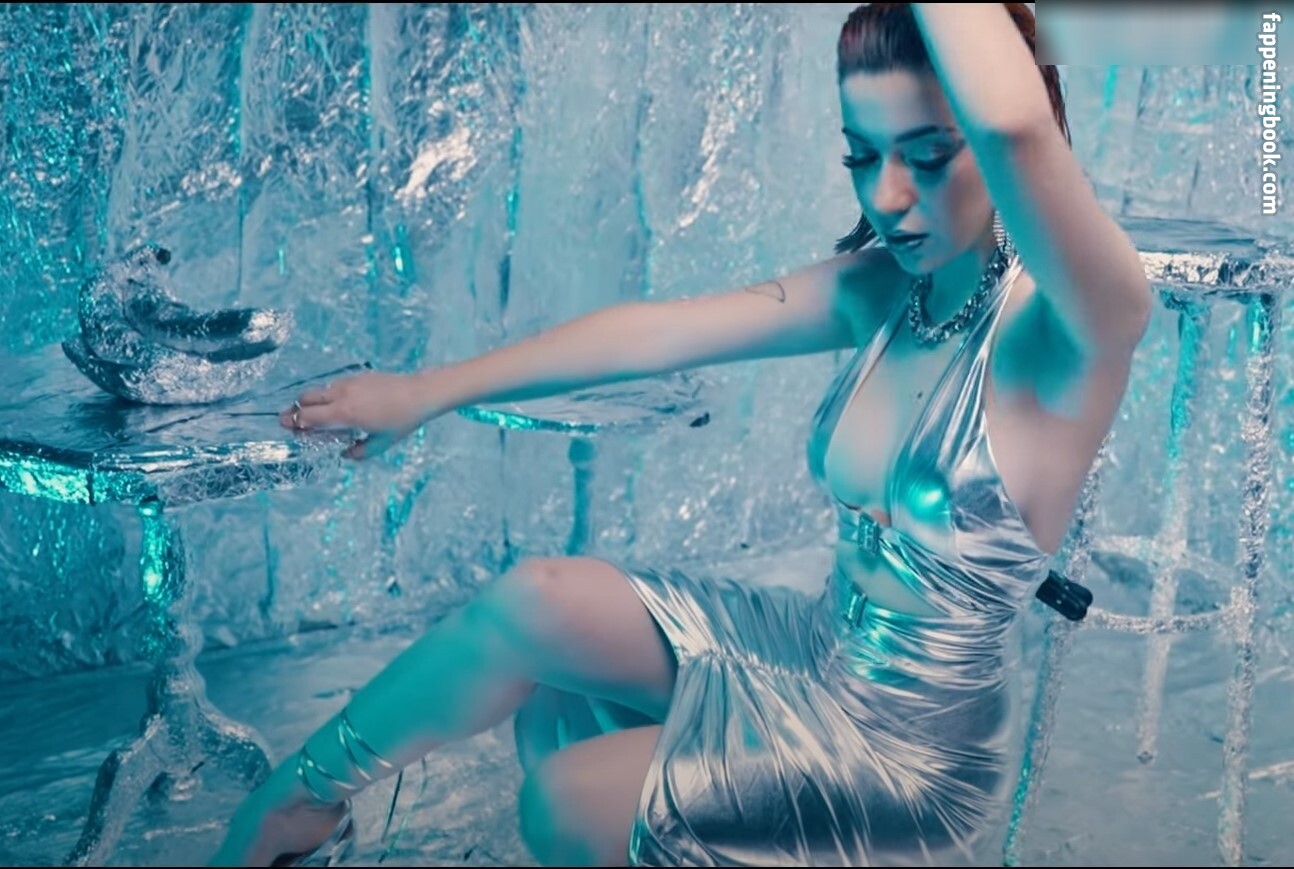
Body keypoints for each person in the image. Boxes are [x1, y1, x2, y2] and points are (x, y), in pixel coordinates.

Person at [209, 4, 1151, 867]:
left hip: (908, 761)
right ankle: (295, 807)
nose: (889, 196)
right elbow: (659, 331)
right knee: (538, 610)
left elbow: (1017, 124)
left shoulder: (1079, 327)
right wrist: (425, 393)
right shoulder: (893, 291)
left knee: (567, 799)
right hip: (813, 652)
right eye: (862, 157)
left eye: (931, 156)